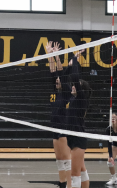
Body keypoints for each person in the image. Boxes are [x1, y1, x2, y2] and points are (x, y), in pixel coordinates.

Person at [46, 41, 72, 188]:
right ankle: (62, 182)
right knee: (58, 158)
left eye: (59, 80)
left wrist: (57, 56)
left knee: (66, 158)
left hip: (63, 127)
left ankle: (69, 183)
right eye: (55, 80)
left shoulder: (66, 93)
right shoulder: (54, 91)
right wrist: (49, 54)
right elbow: (52, 72)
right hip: (54, 127)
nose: (57, 80)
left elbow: (60, 72)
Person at [65, 52, 92, 188]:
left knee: (74, 174)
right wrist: (70, 66)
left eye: (77, 85)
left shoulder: (81, 100)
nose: (73, 86)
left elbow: (75, 77)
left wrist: (75, 59)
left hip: (78, 137)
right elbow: (66, 80)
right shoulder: (72, 98)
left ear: (82, 90)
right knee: (81, 170)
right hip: (72, 136)